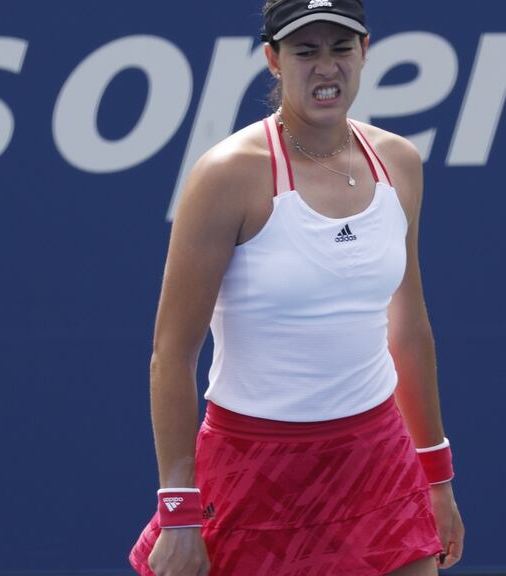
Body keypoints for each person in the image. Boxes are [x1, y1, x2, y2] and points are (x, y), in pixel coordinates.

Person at [129, 1, 465, 574]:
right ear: (273, 60)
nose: (325, 67)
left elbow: (406, 328)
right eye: (306, 51)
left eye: (340, 48)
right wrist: (180, 511)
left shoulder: (399, 164)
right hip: (253, 465)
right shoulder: (226, 175)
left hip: (379, 457)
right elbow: (172, 354)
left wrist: (436, 477)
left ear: (364, 53)